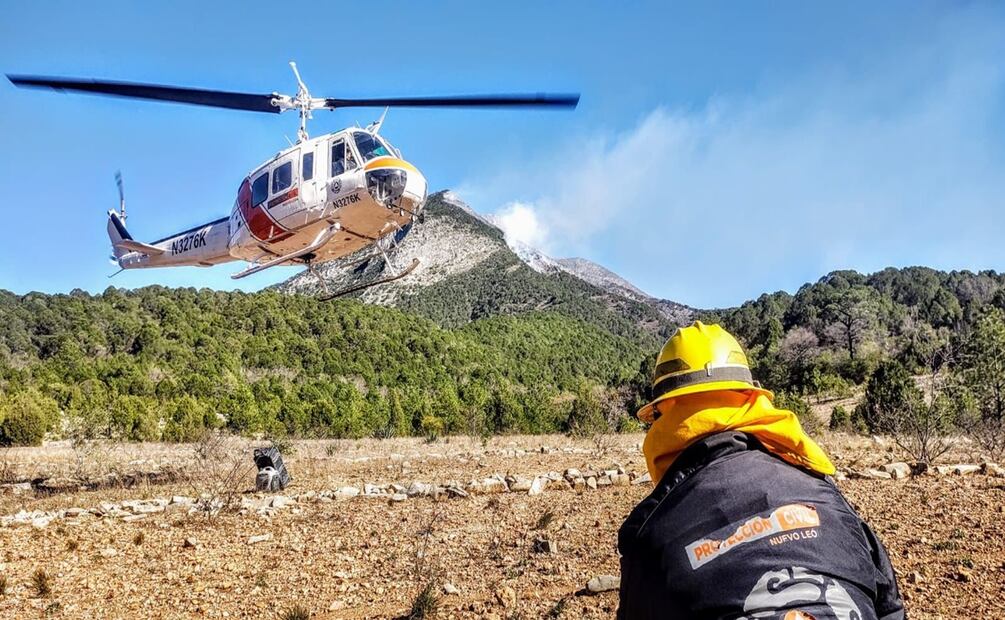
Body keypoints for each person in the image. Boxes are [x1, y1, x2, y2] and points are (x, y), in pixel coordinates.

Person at [618, 321, 904, 620]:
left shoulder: (651, 534)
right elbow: (890, 610)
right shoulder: (827, 496)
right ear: (752, 399)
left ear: (663, 416)